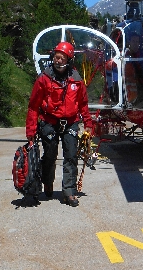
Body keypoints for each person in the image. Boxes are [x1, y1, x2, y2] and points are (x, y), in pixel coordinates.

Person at [25, 41, 94, 207]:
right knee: (49, 156)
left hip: (70, 122)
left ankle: (69, 191)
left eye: (62, 58)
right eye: (57, 57)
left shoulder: (76, 81)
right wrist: (31, 132)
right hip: (49, 121)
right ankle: (47, 182)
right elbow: (34, 106)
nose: (59, 61)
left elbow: (83, 103)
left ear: (69, 60)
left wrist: (88, 124)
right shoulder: (43, 79)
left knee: (71, 156)